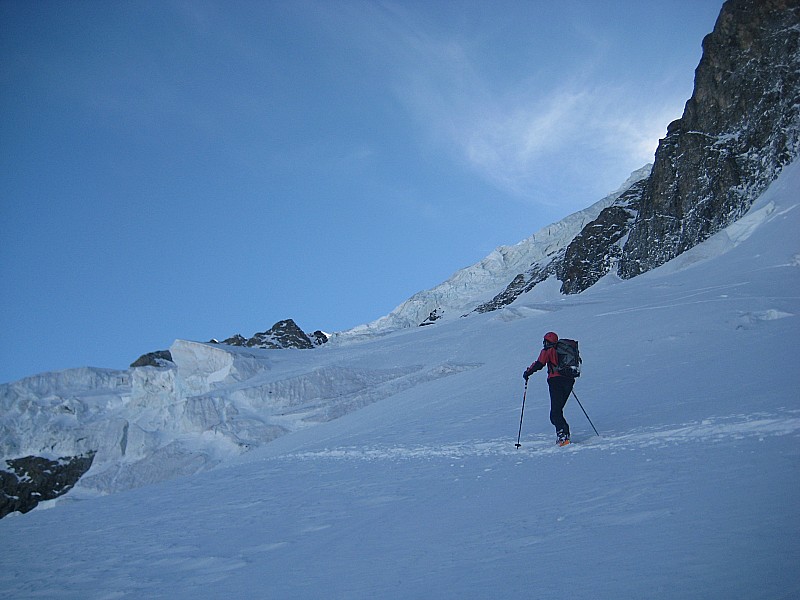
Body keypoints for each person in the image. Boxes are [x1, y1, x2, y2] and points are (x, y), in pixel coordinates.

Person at [523, 331, 574, 446]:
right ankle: (564, 434)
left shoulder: (547, 351)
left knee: (555, 412)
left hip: (555, 381)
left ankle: (563, 436)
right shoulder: (563, 349)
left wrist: (527, 372)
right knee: (558, 410)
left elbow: (539, 364)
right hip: (569, 380)